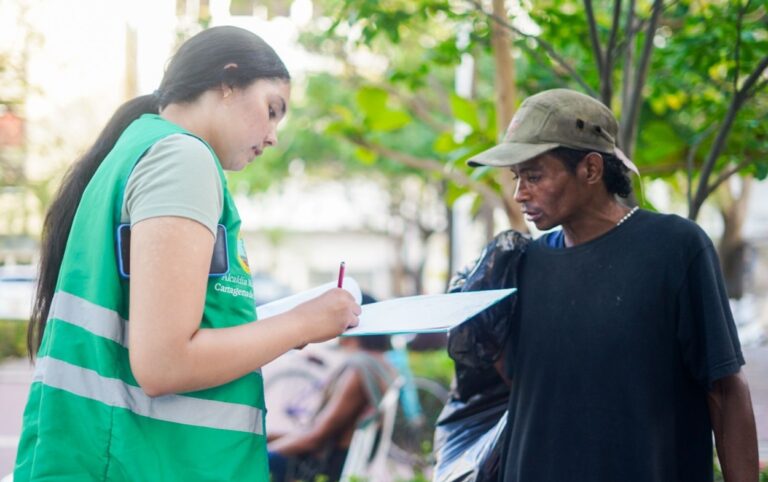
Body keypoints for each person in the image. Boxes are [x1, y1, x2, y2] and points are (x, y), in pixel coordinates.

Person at [15, 26, 360, 482]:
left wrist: (278, 330)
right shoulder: (183, 160)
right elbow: (165, 363)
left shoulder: (142, 149)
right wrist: (304, 322)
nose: (273, 135)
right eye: (271, 110)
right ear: (227, 82)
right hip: (146, 464)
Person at [466, 88, 758, 482]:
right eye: (517, 177)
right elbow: (530, 389)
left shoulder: (675, 248)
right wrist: (479, 325)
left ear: (590, 169)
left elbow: (724, 389)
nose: (520, 193)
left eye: (534, 176)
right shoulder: (525, 263)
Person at [268, 296, 397, 482]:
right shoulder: (384, 365)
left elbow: (315, 438)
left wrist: (264, 454)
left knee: (257, 457)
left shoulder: (359, 370)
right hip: (339, 457)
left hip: (324, 465)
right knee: (264, 437)